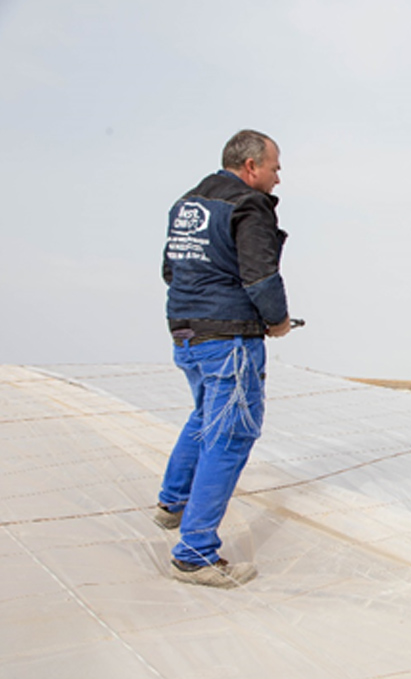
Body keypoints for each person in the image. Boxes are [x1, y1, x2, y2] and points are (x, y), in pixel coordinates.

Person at [155, 129, 291, 587]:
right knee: (231, 434)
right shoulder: (249, 205)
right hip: (229, 339)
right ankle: (194, 554)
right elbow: (260, 277)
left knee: (204, 416)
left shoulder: (187, 204)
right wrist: (277, 321)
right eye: (274, 168)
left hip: (186, 332)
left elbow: (170, 270)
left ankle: (172, 503)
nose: (278, 178)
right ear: (251, 166)